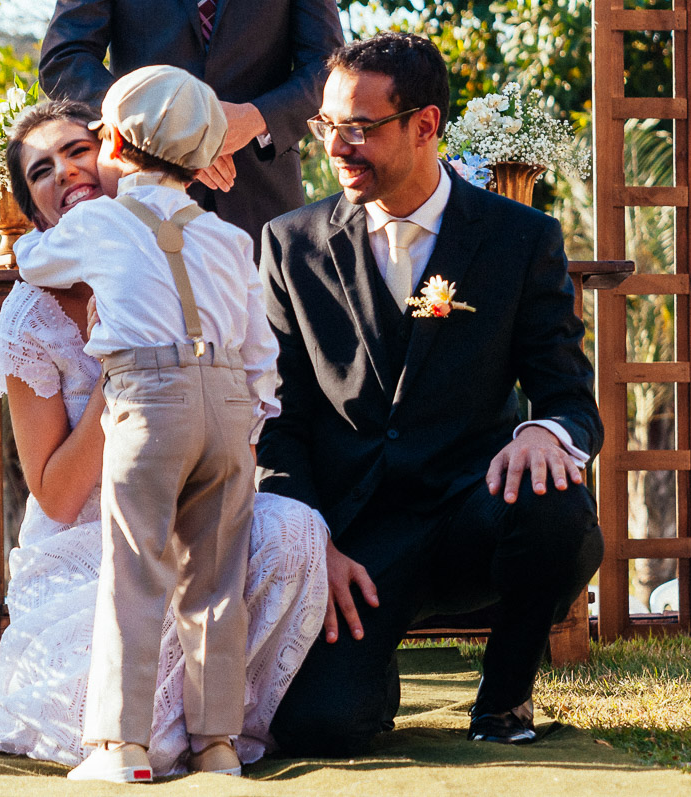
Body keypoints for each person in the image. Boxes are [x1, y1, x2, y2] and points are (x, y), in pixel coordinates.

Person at [0, 98, 327, 776]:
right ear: (36, 208)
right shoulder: (31, 316)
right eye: (42, 169)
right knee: (141, 600)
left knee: (292, 529)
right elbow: (55, 491)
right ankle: (148, 734)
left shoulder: (199, 260)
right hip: (83, 549)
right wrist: (126, 373)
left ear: (119, 159)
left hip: (190, 510)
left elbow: (245, 406)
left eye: (79, 150)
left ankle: (212, 728)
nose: (66, 173)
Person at [257, 32, 606, 755]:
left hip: (471, 521)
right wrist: (306, 537)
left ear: (425, 125)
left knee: (558, 495)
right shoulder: (290, 244)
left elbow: (569, 395)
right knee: (316, 728)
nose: (338, 145)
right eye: (329, 126)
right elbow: (278, 418)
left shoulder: (520, 237)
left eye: (360, 127)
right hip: (354, 543)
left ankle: (504, 697)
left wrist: (546, 432)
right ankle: (366, 674)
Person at [15, 66, 280, 783]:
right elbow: (261, 348)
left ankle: (120, 745)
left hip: (148, 402)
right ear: (202, 159)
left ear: (116, 143)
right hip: (229, 407)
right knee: (216, 579)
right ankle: (218, 744)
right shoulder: (229, 240)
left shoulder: (97, 224)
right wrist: (253, 417)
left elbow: (33, 259)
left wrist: (21, 242)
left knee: (136, 572)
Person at [38, 0, 344, 249]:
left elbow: (327, 65)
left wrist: (255, 118)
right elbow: (64, 59)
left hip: (261, 199)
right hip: (144, 205)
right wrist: (163, 128)